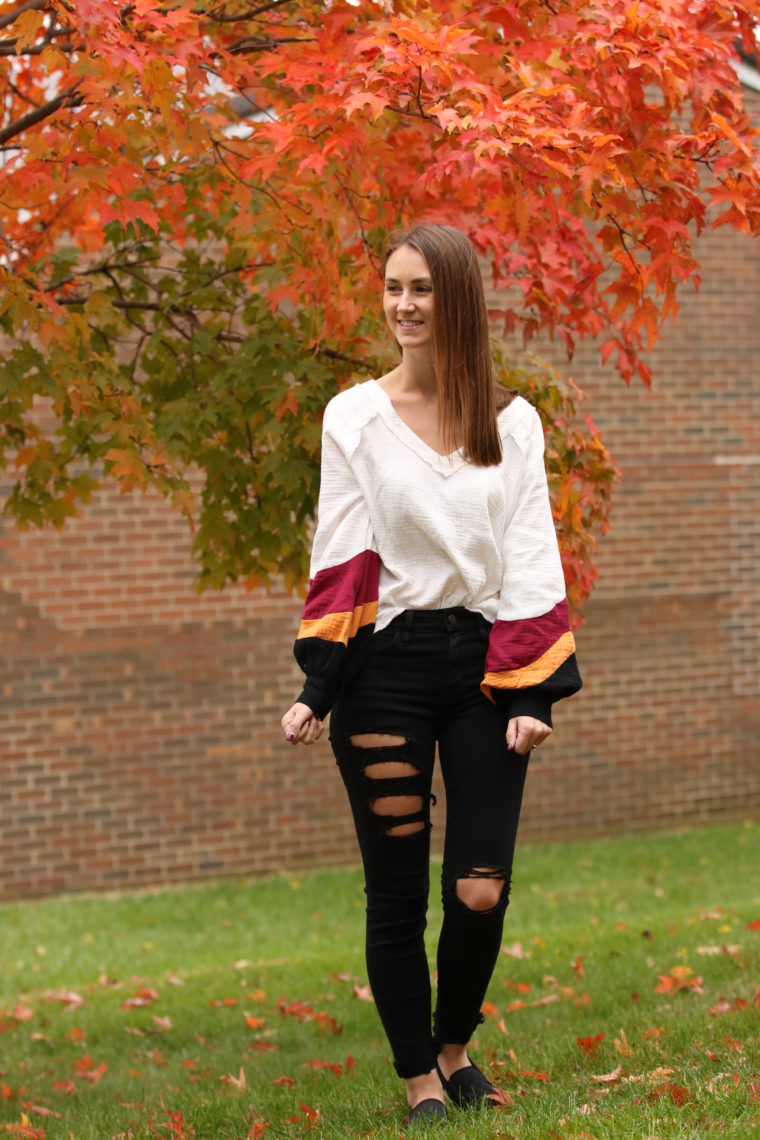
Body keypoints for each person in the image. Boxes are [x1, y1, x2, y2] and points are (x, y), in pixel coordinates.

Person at [280, 222, 582, 1125]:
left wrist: (533, 691)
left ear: (457, 300)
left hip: (488, 669)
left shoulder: (513, 421)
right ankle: (418, 1076)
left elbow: (531, 551)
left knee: (480, 884)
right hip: (387, 672)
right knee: (398, 888)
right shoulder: (354, 418)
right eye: (392, 288)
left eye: (422, 289)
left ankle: (456, 1050)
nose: (404, 306)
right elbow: (343, 551)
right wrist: (318, 684)